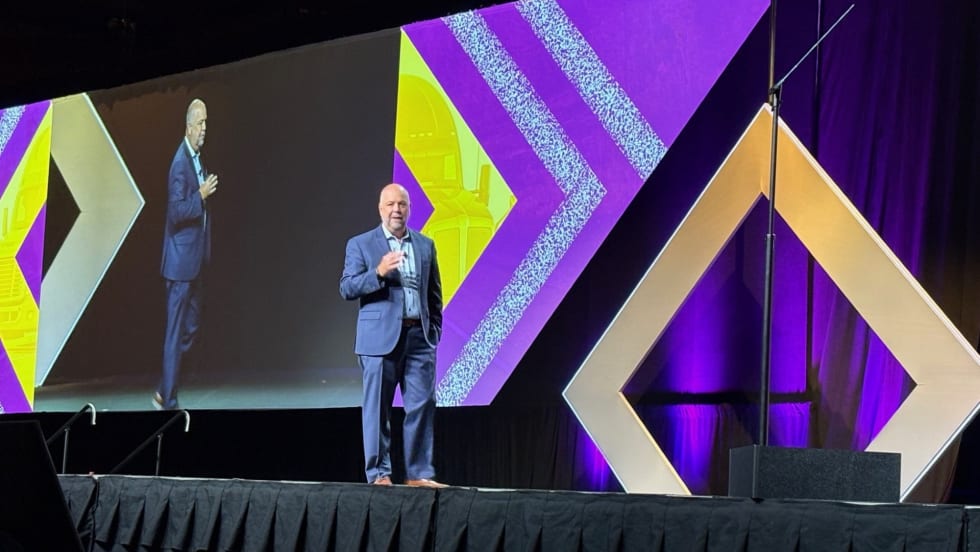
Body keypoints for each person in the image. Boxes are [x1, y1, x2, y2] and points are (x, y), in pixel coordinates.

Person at [340, 183, 445, 487]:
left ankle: (419, 474)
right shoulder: (360, 244)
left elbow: (434, 295)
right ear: (380, 208)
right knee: (378, 409)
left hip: (419, 339)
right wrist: (378, 273)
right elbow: (346, 287)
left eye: (402, 204)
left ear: (409, 209)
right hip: (378, 341)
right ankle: (379, 474)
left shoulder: (425, 245)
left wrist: (433, 332)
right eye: (390, 205)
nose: (396, 210)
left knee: (422, 406)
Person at [155, 98, 219, 410]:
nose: (205, 129)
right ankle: (168, 399)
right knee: (175, 332)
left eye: (207, 123)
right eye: (201, 123)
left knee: (190, 329)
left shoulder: (196, 158)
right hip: (179, 265)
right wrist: (201, 194)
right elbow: (177, 211)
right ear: (188, 126)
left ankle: (163, 385)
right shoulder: (180, 164)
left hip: (194, 263)